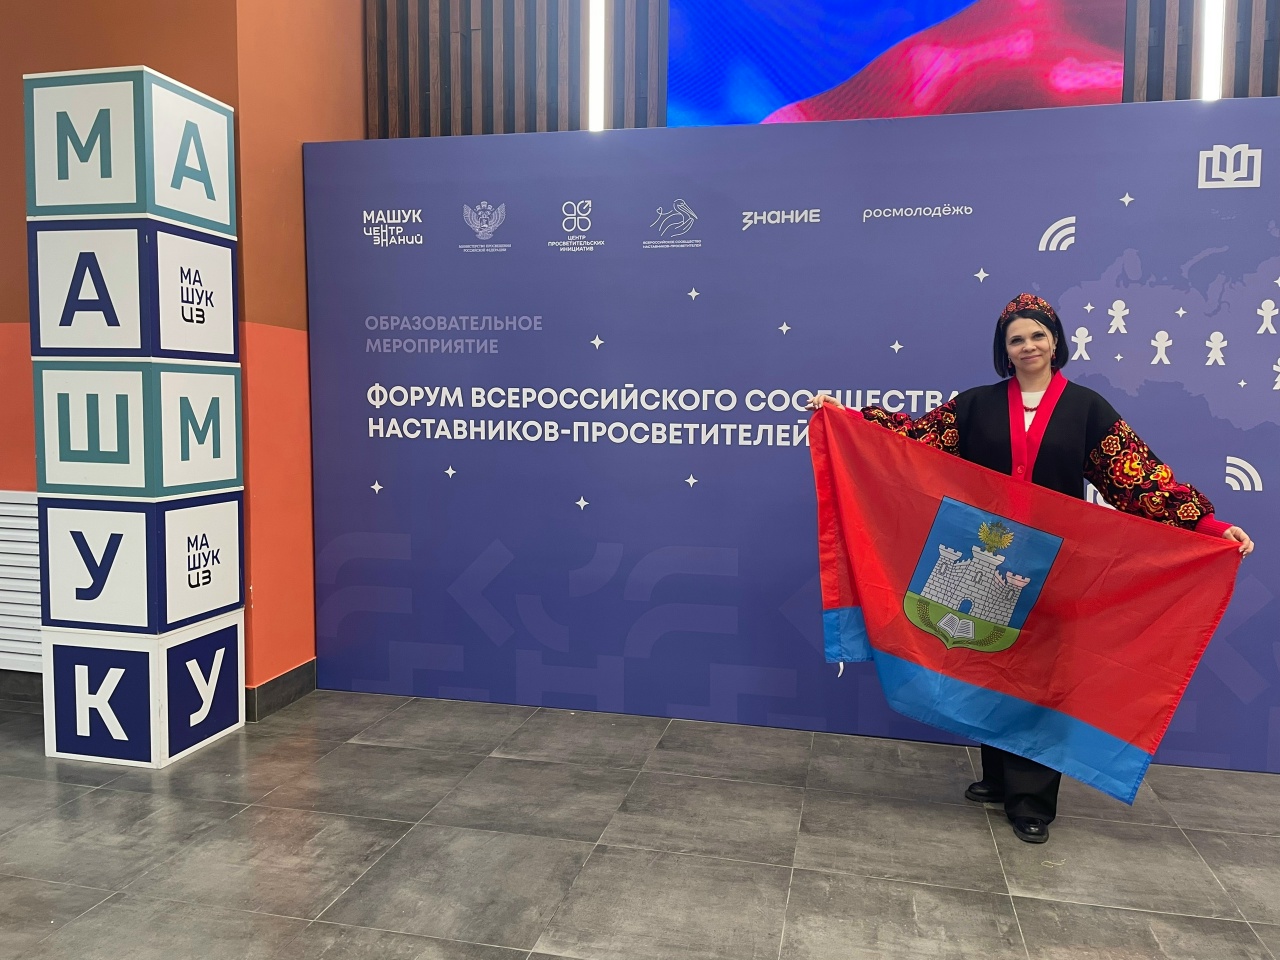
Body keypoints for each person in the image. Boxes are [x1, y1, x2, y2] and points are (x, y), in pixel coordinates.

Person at [806, 293, 1254, 844]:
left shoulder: (1087, 409)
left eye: (1037, 335)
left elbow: (1137, 478)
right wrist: (847, 418)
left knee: (1039, 678)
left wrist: (1208, 526)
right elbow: (912, 440)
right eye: (1016, 339)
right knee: (988, 664)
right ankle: (998, 778)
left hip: (1054, 568)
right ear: (1005, 350)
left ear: (1055, 341)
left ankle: (1032, 800)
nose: (1028, 346)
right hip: (987, 563)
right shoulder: (976, 404)